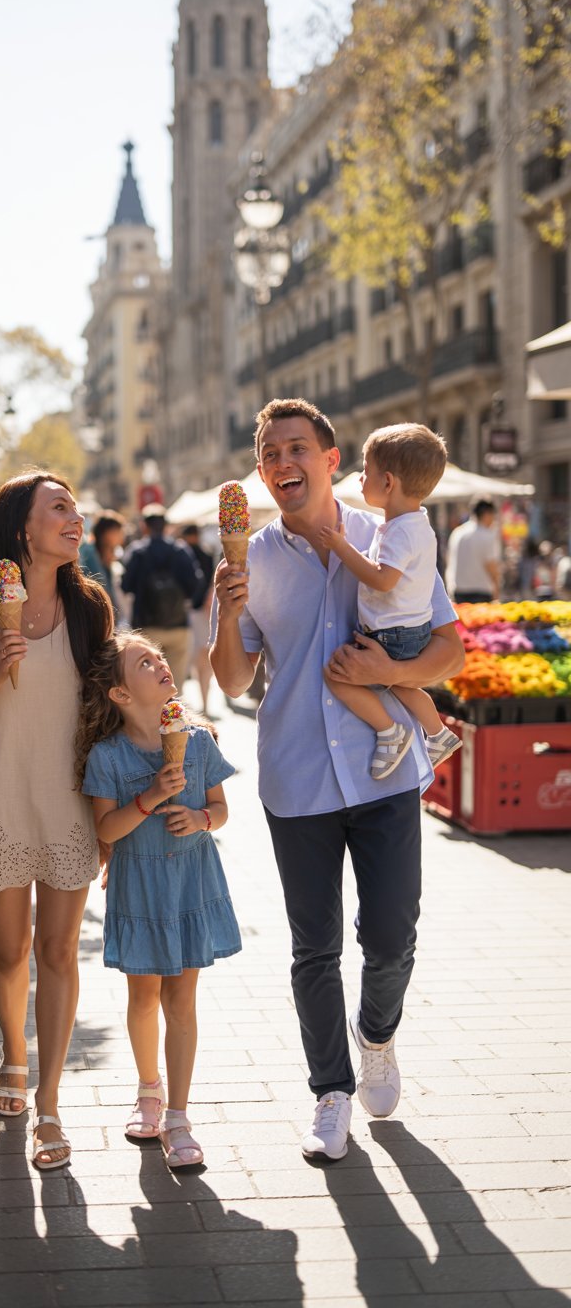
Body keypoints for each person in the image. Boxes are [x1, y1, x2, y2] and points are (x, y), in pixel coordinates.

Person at [210, 398, 464, 1163]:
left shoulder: (391, 534)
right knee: (313, 948)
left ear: (331, 458)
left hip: (383, 775)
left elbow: (449, 652)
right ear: (262, 475)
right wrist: (226, 613)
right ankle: (331, 1091)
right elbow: (228, 679)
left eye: (295, 448)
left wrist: (389, 670)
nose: (282, 463)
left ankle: (377, 1035)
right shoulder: (246, 559)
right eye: (268, 454)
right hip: (295, 776)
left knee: (390, 938)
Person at [0, 471, 113, 1171]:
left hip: (68, 795)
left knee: (59, 952)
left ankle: (49, 1103)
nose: (75, 518)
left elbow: (103, 708)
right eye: (59, 508)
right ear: (20, 527)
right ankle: (12, 1056)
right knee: (9, 952)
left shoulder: (90, 606)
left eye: (75, 507)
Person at [78, 630, 241, 1169]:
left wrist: (201, 818)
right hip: (140, 890)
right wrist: (150, 798)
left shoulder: (199, 742)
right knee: (144, 997)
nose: (161, 665)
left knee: (182, 1002)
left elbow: (220, 809)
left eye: (158, 658)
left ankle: (178, 1115)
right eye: (144, 663)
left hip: (190, 883)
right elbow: (108, 829)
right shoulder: (108, 756)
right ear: (120, 694)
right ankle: (148, 1088)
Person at [321, 424, 462, 779]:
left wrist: (341, 547)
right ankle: (437, 732)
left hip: (391, 634)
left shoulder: (401, 530)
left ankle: (390, 732)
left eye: (365, 471)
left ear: (387, 482)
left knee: (338, 676)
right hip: (406, 630)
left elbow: (383, 580)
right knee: (401, 684)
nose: (359, 479)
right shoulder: (416, 524)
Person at [121, 505, 202, 694]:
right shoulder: (180, 550)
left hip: (146, 627)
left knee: (147, 689)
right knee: (175, 688)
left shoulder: (137, 552)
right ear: (166, 526)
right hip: (179, 625)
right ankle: (173, 722)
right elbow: (196, 584)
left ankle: (150, 723)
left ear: (144, 526)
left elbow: (126, 585)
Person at [180, 523, 215, 715]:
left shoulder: (183, 554)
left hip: (188, 613)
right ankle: (205, 702)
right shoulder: (207, 555)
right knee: (204, 661)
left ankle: (185, 703)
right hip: (205, 612)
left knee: (190, 659)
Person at [444, 498, 501, 604]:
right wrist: (497, 591)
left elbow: (449, 560)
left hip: (458, 591)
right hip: (481, 592)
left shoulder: (457, 533)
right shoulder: (487, 535)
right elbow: (491, 566)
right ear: (486, 514)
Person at [79, 510, 126, 620]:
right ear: (106, 532)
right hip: (95, 616)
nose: (121, 536)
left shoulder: (107, 553)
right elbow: (99, 586)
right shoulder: (89, 553)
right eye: (118, 531)